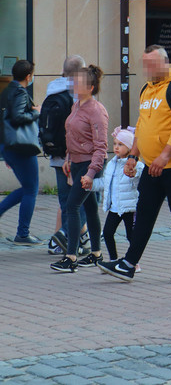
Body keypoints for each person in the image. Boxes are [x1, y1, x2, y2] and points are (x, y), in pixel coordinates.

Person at [99, 45, 171, 283]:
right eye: (145, 64)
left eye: (153, 64)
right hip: (152, 164)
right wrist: (133, 156)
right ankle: (129, 264)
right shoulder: (147, 89)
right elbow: (142, 125)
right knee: (143, 213)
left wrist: (165, 156)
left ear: (166, 62)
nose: (149, 69)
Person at [50, 65, 109, 272]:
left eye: (79, 82)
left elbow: (101, 148)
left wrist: (91, 174)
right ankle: (96, 254)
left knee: (73, 206)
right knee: (91, 208)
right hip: (75, 163)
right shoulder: (77, 106)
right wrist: (67, 158)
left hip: (89, 165)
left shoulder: (97, 111)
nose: (74, 84)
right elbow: (71, 135)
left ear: (91, 87)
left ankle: (71, 257)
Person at [43, 56, 91, 256]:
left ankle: (74, 240)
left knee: (65, 201)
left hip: (56, 155)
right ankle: (64, 236)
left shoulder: (51, 89)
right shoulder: (78, 93)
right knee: (83, 201)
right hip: (76, 155)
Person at [0, 60, 42, 245]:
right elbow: (17, 117)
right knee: (31, 189)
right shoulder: (19, 92)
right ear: (28, 76)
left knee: (26, 187)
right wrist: (36, 112)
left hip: (9, 146)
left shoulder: (7, 90)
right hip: (21, 147)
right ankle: (22, 234)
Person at [91, 126, 143, 265]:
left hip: (129, 207)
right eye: (114, 144)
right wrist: (91, 184)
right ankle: (113, 260)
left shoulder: (137, 165)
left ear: (130, 147)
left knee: (131, 235)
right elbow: (105, 182)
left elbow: (140, 180)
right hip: (115, 207)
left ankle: (133, 262)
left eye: (121, 144)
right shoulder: (112, 164)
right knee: (107, 233)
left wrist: (134, 173)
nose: (116, 147)